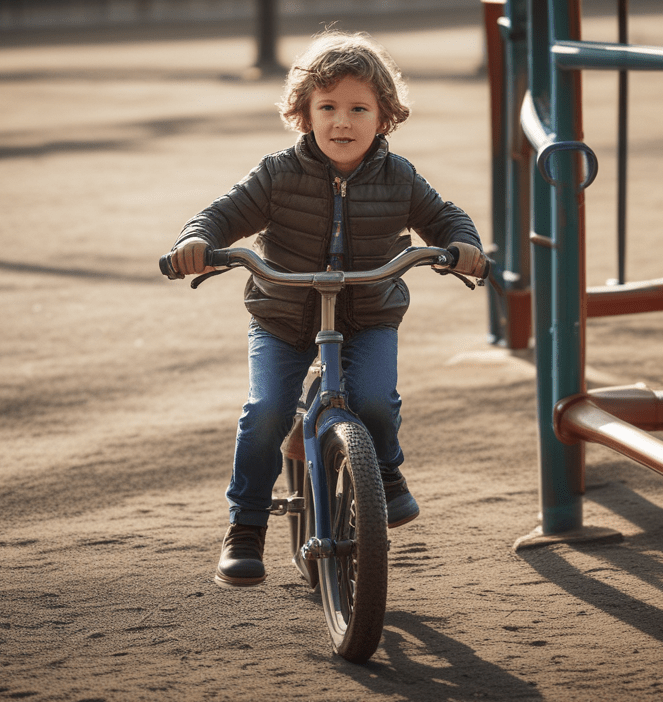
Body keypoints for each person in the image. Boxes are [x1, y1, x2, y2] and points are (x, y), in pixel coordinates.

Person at [168, 31, 490, 587]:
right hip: (283, 318)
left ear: (384, 117)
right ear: (305, 114)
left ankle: (383, 471)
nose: (343, 122)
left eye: (359, 109)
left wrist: (464, 247)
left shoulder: (399, 178)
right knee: (267, 410)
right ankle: (246, 525)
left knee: (375, 399)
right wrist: (196, 242)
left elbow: (445, 218)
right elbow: (220, 215)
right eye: (328, 108)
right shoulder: (278, 174)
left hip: (367, 316)